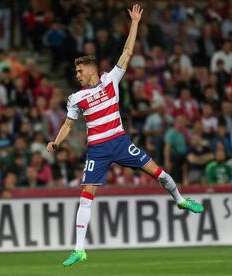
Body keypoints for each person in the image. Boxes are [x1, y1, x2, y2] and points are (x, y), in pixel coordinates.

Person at [46, 4, 204, 267]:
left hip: (120, 142)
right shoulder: (75, 98)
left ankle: (180, 200)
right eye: (75, 72)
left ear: (91, 69)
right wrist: (56, 141)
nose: (76, 75)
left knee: (160, 174)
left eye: (79, 70)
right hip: (97, 149)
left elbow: (128, 51)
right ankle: (79, 249)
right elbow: (68, 125)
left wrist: (135, 23)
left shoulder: (111, 79)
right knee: (86, 194)